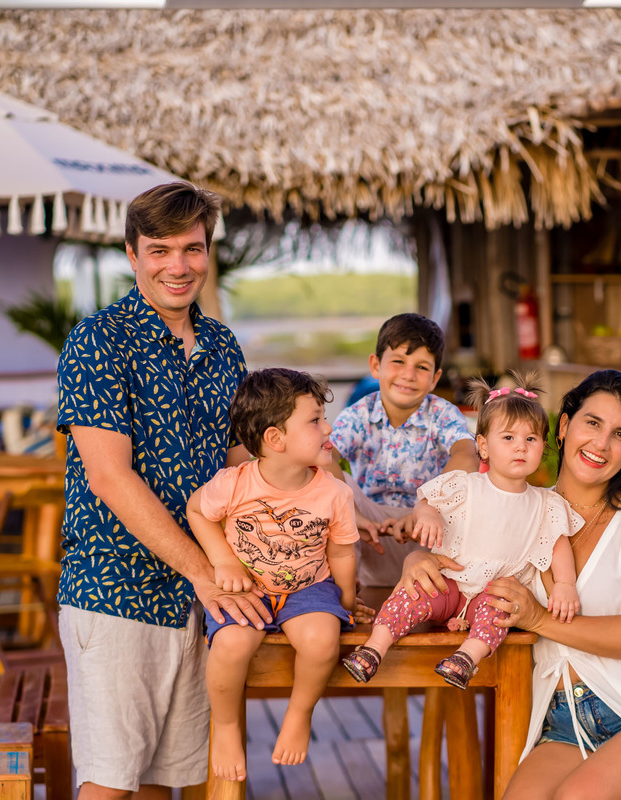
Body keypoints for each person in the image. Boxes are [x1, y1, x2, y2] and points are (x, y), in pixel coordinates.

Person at [395, 370, 621, 800]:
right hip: (564, 721)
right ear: (564, 428)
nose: (601, 444)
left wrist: (539, 618)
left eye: (620, 434)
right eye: (592, 423)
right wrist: (419, 559)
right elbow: (459, 555)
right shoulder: (523, 512)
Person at [56, 182, 271, 800]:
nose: (178, 267)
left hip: (199, 604)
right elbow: (109, 477)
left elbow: (239, 467)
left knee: (164, 786)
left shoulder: (224, 348)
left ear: (209, 254)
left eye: (193, 249)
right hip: (115, 592)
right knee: (111, 786)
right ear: (132, 254)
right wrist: (206, 570)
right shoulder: (97, 341)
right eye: (160, 250)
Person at [341, 374, 583, 690]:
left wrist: (565, 584)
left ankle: (466, 657)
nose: (520, 448)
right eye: (508, 438)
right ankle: (375, 647)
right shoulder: (465, 485)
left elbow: (558, 545)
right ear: (482, 445)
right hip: (448, 581)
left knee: (500, 612)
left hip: (492, 592)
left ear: (544, 447)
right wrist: (426, 515)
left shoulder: (545, 502)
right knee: (410, 594)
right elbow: (427, 500)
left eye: (531, 439)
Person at [186, 368, 359, 780]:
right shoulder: (234, 484)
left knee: (321, 641)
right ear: (275, 439)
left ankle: (299, 715)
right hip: (248, 589)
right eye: (315, 420)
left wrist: (347, 600)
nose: (327, 427)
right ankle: (227, 726)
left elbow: (342, 551)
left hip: (309, 589)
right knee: (229, 644)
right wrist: (223, 561)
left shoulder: (334, 491)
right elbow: (197, 511)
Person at [327, 312, 480, 590]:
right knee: (335, 482)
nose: (408, 375)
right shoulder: (359, 414)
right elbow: (323, 458)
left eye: (421, 367)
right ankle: (347, 589)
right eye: (398, 361)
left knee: (471, 488)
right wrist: (354, 516)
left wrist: (428, 505)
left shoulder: (443, 414)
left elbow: (467, 454)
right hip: (369, 532)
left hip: (427, 531)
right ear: (376, 365)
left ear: (435, 378)